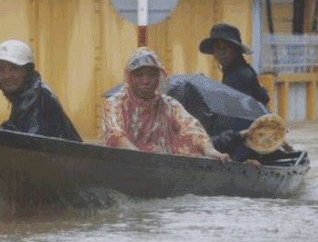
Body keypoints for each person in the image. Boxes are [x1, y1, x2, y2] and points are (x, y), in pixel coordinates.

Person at [98, 47, 229, 163]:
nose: (145, 81)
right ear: (130, 77)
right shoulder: (116, 103)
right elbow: (115, 135)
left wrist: (209, 150)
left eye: (151, 75)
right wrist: (141, 158)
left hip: (159, 169)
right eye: (139, 75)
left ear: (159, 77)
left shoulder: (168, 105)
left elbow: (192, 128)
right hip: (120, 166)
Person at [0, 39, 82, 142]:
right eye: (1, 70)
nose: (7, 76)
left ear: (27, 71)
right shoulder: (26, 94)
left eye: (14, 68)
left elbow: (30, 145)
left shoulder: (35, 97)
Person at [199, 23, 270, 106]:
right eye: (218, 48)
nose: (222, 52)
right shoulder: (232, 71)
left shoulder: (240, 75)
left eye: (227, 47)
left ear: (236, 50)